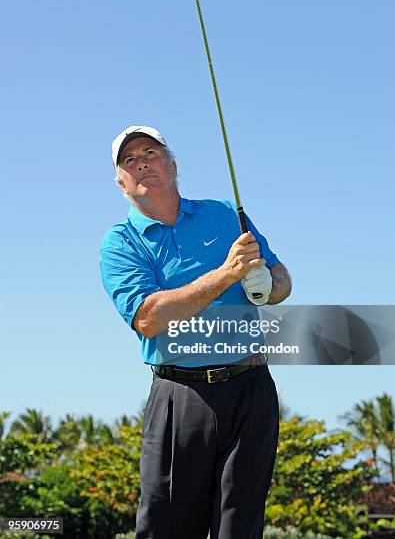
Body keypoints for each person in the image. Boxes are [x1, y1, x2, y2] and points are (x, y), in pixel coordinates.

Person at [100, 125, 292, 539]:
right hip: (179, 397)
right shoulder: (120, 243)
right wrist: (225, 276)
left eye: (150, 153)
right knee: (166, 528)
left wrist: (268, 286)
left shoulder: (224, 213)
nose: (141, 163)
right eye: (128, 161)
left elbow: (280, 278)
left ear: (172, 165)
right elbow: (149, 317)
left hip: (250, 389)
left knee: (239, 528)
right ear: (121, 183)